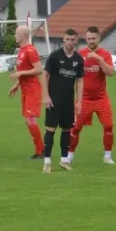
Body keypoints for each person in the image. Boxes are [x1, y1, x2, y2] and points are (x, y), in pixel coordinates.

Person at [68, 26, 115, 165]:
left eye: (93, 38)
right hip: (84, 99)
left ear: (99, 38)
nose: (91, 41)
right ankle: (69, 156)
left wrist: (99, 59)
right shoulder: (80, 54)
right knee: (75, 128)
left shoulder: (104, 54)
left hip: (101, 98)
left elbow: (111, 73)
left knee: (108, 126)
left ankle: (107, 156)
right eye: (88, 38)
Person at [41, 29, 84, 173]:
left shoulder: (78, 59)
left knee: (66, 130)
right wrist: (46, 96)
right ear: (63, 40)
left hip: (68, 101)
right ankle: (47, 161)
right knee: (51, 130)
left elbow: (79, 80)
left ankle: (64, 160)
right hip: (54, 100)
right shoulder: (54, 56)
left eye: (73, 40)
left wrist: (79, 100)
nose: (70, 42)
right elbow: (44, 75)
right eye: (68, 39)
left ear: (76, 41)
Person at [9, 26, 44, 159]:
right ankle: (40, 148)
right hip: (25, 89)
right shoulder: (21, 50)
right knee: (27, 120)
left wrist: (20, 73)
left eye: (16, 33)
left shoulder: (30, 50)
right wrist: (17, 85)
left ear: (23, 35)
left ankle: (41, 150)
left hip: (33, 89)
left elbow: (39, 69)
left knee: (30, 120)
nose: (15, 36)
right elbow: (26, 69)